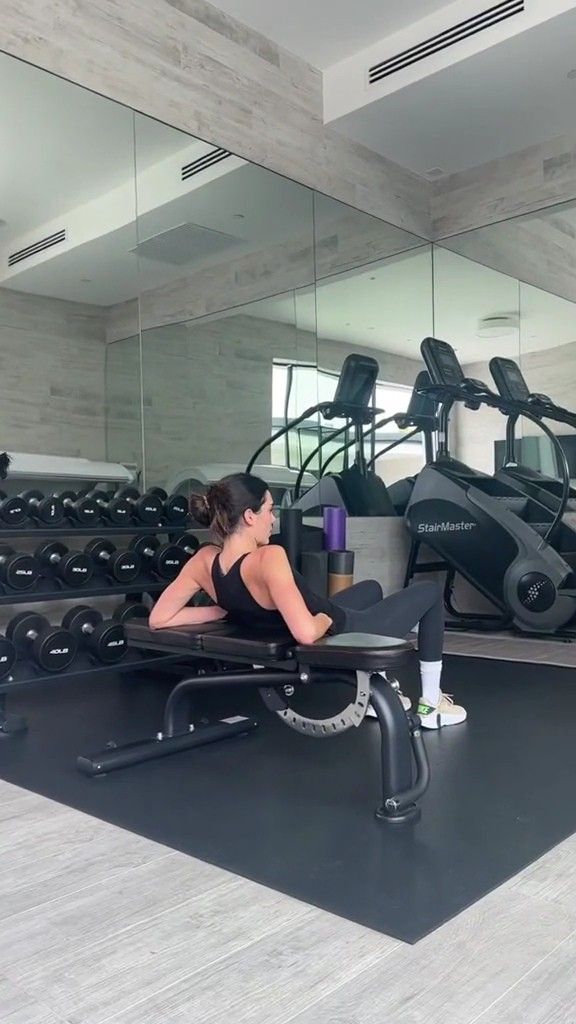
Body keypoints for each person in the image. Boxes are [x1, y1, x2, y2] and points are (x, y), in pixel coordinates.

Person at [149, 473, 466, 729]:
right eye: (270, 510)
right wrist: (326, 620)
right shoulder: (268, 557)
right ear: (249, 516)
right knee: (429, 592)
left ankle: (374, 694)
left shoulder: (205, 561)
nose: (273, 520)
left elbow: (159, 618)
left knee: (370, 588)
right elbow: (306, 632)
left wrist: (218, 610)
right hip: (338, 629)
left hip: (311, 618)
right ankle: (431, 702)